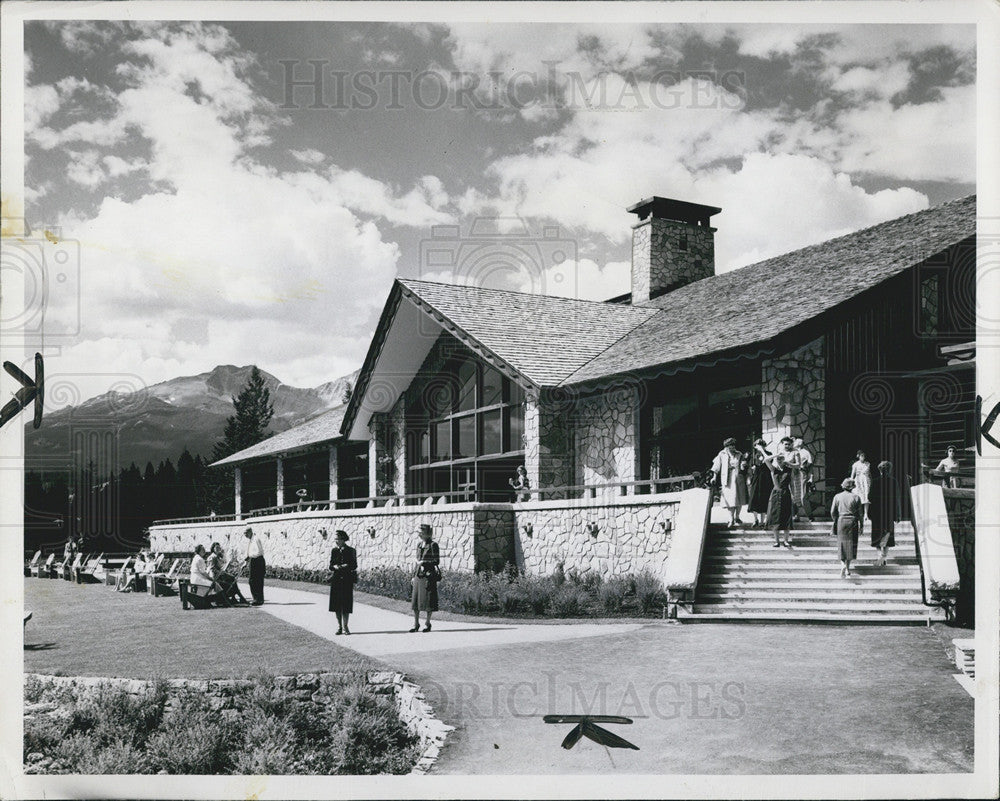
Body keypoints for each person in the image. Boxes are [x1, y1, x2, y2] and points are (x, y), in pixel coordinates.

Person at [757, 443, 794, 548]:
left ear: (784, 460)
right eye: (778, 459)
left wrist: (793, 495)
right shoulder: (773, 470)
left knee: (786, 517)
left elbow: (791, 483)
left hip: (786, 493)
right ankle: (777, 541)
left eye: (781, 459)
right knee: (775, 517)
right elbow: (766, 460)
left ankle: (786, 540)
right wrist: (776, 454)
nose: (780, 461)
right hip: (776, 494)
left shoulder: (788, 470)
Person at [711, 437, 748, 528]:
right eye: (730, 446)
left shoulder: (739, 454)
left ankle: (737, 517)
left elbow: (744, 466)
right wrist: (714, 477)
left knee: (739, 498)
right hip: (727, 479)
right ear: (726, 447)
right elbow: (716, 466)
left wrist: (744, 465)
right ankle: (731, 519)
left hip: (738, 478)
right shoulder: (722, 454)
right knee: (730, 499)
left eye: (733, 445)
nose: (732, 447)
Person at [868, 461, 900, 567]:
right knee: (887, 536)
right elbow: (897, 499)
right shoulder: (893, 481)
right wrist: (897, 514)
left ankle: (879, 556)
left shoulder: (875, 481)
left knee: (877, 535)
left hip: (877, 512)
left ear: (880, 470)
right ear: (889, 470)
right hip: (889, 513)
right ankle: (884, 557)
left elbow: (869, 497)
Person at [830, 478, 863, 578]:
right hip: (852, 521)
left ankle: (843, 565)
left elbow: (832, 512)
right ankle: (847, 568)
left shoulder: (837, 496)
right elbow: (861, 514)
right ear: (852, 487)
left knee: (842, 545)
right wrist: (862, 525)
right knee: (851, 545)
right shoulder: (856, 497)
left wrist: (836, 520)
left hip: (841, 520)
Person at [410, 524, 440, 633]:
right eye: (418, 532)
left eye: (421, 532)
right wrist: (413, 576)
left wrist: (425, 562)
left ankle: (427, 623)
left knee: (428, 600)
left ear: (426, 533)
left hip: (428, 576)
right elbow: (417, 562)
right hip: (418, 576)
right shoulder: (419, 545)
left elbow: (437, 561)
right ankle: (416, 623)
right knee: (415, 601)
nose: (419, 534)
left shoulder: (433, 545)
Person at [329, 530, 358, 635]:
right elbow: (331, 565)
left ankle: (346, 626)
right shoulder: (334, 551)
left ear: (343, 539)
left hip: (346, 580)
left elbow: (354, 565)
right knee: (337, 605)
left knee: (345, 604)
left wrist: (346, 565)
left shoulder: (351, 551)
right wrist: (334, 566)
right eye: (335, 539)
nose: (336, 541)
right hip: (336, 580)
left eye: (338, 539)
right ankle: (339, 627)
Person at [746, 440, 774, 528]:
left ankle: (762, 521)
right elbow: (751, 466)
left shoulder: (769, 453)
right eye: (758, 445)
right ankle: (755, 520)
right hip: (756, 478)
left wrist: (762, 451)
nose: (760, 446)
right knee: (754, 498)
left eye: (761, 445)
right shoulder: (753, 455)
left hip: (766, 478)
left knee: (763, 498)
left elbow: (767, 461)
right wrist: (749, 477)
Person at [789, 437, 814, 522]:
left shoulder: (805, 452)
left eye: (795, 442)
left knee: (803, 496)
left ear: (799, 443)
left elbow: (810, 465)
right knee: (794, 495)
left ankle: (810, 515)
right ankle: (796, 515)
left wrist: (810, 477)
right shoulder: (792, 452)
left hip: (802, 473)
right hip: (793, 474)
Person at [850, 450, 872, 535]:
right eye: (861, 455)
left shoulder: (867, 464)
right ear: (858, 456)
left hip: (866, 481)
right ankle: (859, 515)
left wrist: (870, 481)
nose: (863, 457)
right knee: (858, 498)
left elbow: (869, 473)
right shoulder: (855, 464)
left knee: (866, 497)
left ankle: (866, 514)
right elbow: (852, 475)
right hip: (858, 481)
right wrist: (851, 483)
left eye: (864, 455)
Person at [243, 527, 266, 605]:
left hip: (257, 561)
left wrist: (250, 556)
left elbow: (258, 552)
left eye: (245, 533)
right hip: (254, 560)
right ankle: (257, 598)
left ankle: (258, 599)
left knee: (256, 581)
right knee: (253, 581)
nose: (245, 535)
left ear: (250, 532)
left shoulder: (255, 539)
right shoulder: (251, 540)